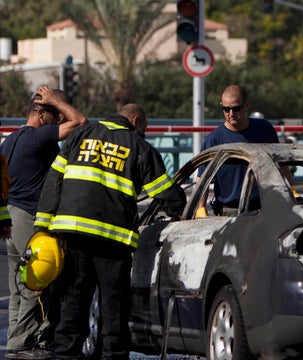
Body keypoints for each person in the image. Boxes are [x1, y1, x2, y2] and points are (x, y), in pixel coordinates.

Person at [33, 103, 187, 359]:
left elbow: (54, 180)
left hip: (72, 233)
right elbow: (164, 190)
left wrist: (43, 225)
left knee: (74, 298)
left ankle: (66, 353)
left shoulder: (80, 136)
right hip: (112, 240)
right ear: (136, 121)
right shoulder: (139, 146)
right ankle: (112, 354)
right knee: (113, 303)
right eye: (145, 128)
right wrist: (183, 209)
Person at [1, 86, 87, 360]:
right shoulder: (38, 138)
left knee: (18, 285)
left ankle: (16, 342)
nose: (59, 120)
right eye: (55, 114)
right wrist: (55, 100)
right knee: (36, 285)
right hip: (27, 218)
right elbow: (80, 123)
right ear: (40, 113)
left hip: (13, 217)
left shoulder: (11, 141)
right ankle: (26, 343)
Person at [196, 85, 282, 216]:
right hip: (230, 212)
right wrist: (200, 208)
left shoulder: (264, 130)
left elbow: (281, 163)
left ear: (247, 105)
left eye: (236, 108)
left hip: (264, 208)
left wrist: (291, 190)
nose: (231, 114)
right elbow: (202, 179)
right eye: (226, 109)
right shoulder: (213, 140)